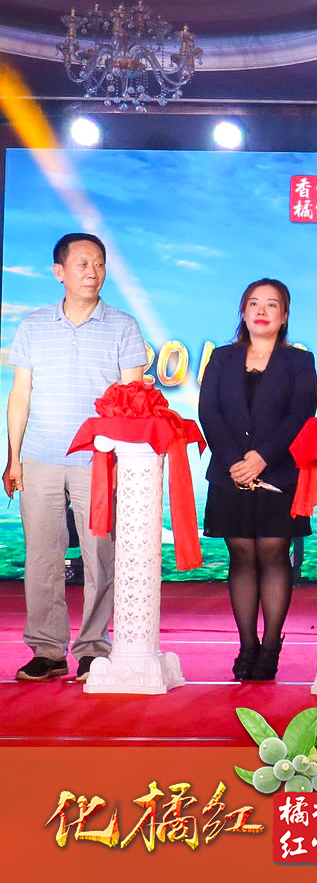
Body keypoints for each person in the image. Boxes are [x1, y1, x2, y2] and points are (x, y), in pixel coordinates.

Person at [4, 233, 147, 682]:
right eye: (83, 263)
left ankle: (93, 649)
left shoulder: (122, 325)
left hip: (98, 461)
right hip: (40, 456)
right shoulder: (33, 325)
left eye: (99, 264)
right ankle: (47, 651)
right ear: (59, 272)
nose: (92, 272)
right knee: (41, 557)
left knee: (100, 554)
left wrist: (123, 460)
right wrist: (13, 457)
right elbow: (20, 394)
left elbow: (134, 399)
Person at [198, 279, 317, 681]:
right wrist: (236, 460)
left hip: (278, 472)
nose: (262, 311)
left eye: (271, 304)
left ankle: (269, 648)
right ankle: (246, 645)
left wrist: (263, 457)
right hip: (230, 473)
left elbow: (300, 415)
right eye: (254, 303)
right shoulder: (222, 358)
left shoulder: (299, 362)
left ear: (284, 316)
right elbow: (209, 411)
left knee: (273, 552)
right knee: (241, 555)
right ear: (243, 312)